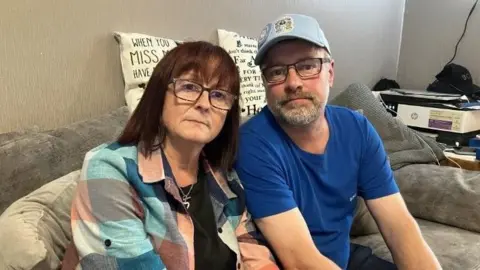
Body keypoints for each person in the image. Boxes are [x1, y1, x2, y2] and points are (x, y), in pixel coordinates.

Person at [234, 14, 442, 270]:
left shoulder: (357, 129)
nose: (293, 83)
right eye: (276, 72)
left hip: (346, 259)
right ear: (265, 83)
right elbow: (300, 261)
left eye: (308, 66)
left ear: (330, 72)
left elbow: (400, 227)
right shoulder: (253, 144)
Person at [64, 41, 279, 270]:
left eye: (218, 95)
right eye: (189, 87)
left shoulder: (226, 180)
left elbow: (257, 257)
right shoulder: (109, 169)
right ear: (159, 96)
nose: (204, 104)